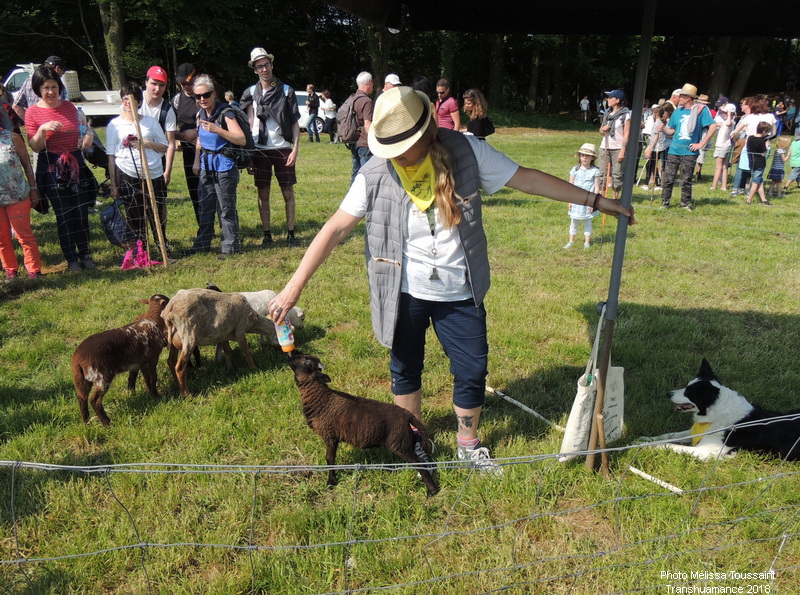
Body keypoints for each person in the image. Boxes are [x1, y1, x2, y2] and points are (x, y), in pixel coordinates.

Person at [268, 87, 633, 472]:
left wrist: (596, 201)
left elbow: (527, 179)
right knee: (405, 368)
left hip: (460, 290)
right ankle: (411, 439)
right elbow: (335, 228)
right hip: (403, 292)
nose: (394, 156)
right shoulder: (376, 170)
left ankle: (467, 444)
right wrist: (292, 289)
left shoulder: (467, 152)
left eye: (402, 148)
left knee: (472, 370)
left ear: (425, 135)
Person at [24, 66, 95, 272]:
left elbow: (83, 128)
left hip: (75, 164)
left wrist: (88, 135)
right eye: (46, 88)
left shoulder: (70, 107)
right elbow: (34, 146)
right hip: (52, 167)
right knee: (64, 215)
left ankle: (85, 254)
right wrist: (42, 130)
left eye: (54, 87)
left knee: (81, 212)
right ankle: (71, 259)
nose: (50, 92)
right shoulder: (33, 112)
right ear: (38, 89)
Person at [239, 47, 301, 247]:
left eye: (266, 64)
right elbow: (247, 124)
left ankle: (291, 233)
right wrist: (248, 154)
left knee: (287, 192)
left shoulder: (286, 91)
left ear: (272, 65)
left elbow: (295, 122)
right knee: (262, 193)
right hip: (259, 150)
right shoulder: (250, 93)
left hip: (282, 148)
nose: (264, 69)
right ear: (254, 70)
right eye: (260, 66)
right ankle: (267, 235)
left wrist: (295, 149)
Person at [106, 81, 169, 267]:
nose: (128, 104)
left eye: (132, 100)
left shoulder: (150, 122)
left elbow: (164, 146)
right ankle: (141, 252)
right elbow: (111, 156)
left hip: (153, 172)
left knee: (157, 212)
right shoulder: (114, 125)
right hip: (127, 172)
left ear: (139, 102)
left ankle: (163, 248)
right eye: (125, 100)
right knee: (135, 214)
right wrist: (113, 184)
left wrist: (147, 143)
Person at [192, 75, 247, 258]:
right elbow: (200, 140)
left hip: (224, 167)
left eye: (206, 94)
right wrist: (197, 160)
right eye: (198, 96)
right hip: (206, 167)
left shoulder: (226, 114)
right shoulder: (200, 114)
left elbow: (241, 139)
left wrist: (217, 129)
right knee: (205, 207)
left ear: (214, 94)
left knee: (225, 209)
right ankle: (203, 243)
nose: (202, 99)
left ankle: (230, 247)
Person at [660, 83, 717, 211]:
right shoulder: (676, 112)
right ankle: (665, 203)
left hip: (690, 151)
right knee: (668, 178)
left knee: (686, 180)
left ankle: (685, 204)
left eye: (681, 96)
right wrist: (663, 129)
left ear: (688, 98)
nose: (678, 98)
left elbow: (713, 127)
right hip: (674, 149)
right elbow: (671, 131)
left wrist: (701, 143)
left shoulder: (700, 111)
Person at [1, 118, 42, 278]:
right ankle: (10, 270)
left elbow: (27, 165)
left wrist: (33, 189)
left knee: (24, 235)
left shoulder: (13, 137)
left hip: (17, 195)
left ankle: (34, 270)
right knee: (2, 238)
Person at [170, 62, 201, 225]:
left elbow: (217, 121)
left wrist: (196, 131)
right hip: (189, 152)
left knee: (213, 191)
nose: (185, 87)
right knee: (194, 190)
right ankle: (202, 227)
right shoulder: (176, 101)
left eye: (188, 83)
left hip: (209, 151)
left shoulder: (205, 96)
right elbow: (168, 129)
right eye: (181, 84)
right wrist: (183, 136)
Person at [729, 96, 777, 196]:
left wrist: (734, 135)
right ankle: (751, 190)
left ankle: (736, 189)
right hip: (763, 145)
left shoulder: (750, 117)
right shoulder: (771, 116)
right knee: (758, 169)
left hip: (749, 144)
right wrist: (769, 140)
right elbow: (774, 132)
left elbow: (737, 130)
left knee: (741, 168)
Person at [139, 66, 177, 186]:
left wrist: (167, 172)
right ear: (146, 82)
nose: (157, 89)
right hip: (133, 159)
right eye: (154, 84)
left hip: (157, 161)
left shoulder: (167, 110)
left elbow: (171, 143)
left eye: (162, 85)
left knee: (158, 196)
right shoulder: (134, 101)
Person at [564, 143, 600, 249]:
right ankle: (571, 241)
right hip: (576, 200)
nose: (584, 158)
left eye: (587, 155)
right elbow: (570, 186)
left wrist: (593, 203)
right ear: (579, 156)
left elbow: (596, 188)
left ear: (592, 158)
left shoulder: (595, 171)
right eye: (582, 155)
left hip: (588, 201)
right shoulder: (575, 169)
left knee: (587, 222)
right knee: (574, 222)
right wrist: (570, 201)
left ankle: (587, 243)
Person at [595, 89, 630, 197]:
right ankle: (600, 198)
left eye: (610, 98)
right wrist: (603, 129)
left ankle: (615, 200)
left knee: (617, 174)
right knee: (601, 173)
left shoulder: (625, 115)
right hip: (604, 147)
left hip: (618, 148)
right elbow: (601, 131)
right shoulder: (607, 114)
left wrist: (622, 151)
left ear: (617, 100)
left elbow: (626, 135)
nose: (608, 100)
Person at [13, 56, 68, 121]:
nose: (62, 74)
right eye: (63, 71)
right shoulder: (59, 85)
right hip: (53, 125)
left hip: (35, 125)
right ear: (57, 69)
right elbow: (65, 110)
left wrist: (30, 122)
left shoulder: (28, 81)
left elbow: (16, 106)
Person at [347, 71, 375, 184]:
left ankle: (352, 194)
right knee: (366, 175)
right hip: (364, 143)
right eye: (372, 82)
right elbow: (367, 124)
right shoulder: (367, 101)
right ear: (369, 82)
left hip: (353, 141)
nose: (373, 84)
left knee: (355, 173)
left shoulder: (352, 98)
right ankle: (365, 195)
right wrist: (374, 141)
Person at [642, 102, 674, 191]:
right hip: (658, 147)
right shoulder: (659, 123)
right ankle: (656, 182)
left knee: (651, 165)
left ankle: (653, 183)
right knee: (652, 165)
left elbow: (656, 137)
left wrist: (650, 148)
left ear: (656, 114)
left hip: (657, 147)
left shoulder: (658, 123)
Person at [710, 103, 736, 191]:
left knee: (718, 167)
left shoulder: (730, 122)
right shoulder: (729, 122)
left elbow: (728, 124)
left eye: (725, 113)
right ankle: (724, 186)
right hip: (726, 145)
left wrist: (728, 114)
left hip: (721, 146)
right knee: (724, 167)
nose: (723, 114)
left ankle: (714, 186)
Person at [745, 121, 772, 205]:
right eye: (767, 132)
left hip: (751, 162)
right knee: (755, 183)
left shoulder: (750, 138)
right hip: (759, 164)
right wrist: (767, 145)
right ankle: (749, 200)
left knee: (760, 181)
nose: (768, 133)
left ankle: (764, 199)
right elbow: (764, 154)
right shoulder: (761, 141)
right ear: (764, 132)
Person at [767, 135, 789, 199]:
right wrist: (788, 155)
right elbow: (783, 160)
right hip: (778, 169)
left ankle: (770, 192)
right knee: (779, 182)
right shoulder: (781, 151)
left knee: (773, 181)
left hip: (774, 168)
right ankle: (779, 194)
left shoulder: (777, 150)